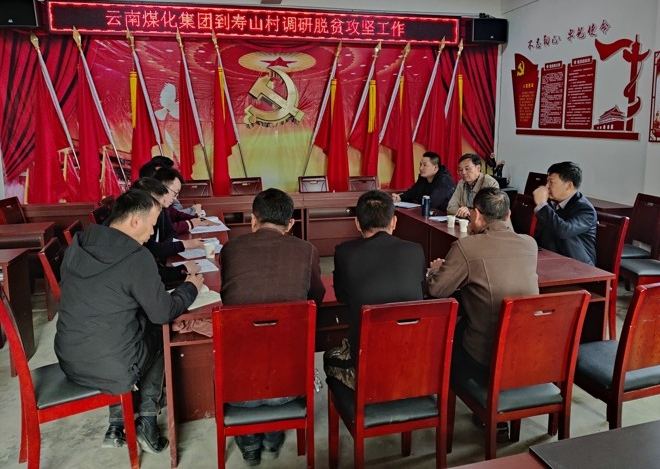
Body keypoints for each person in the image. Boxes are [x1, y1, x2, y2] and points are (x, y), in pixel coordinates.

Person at [54, 189, 203, 454]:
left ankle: (117, 423)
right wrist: (190, 287)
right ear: (135, 221)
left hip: (69, 358)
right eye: (152, 225)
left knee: (120, 327)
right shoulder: (136, 257)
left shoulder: (80, 242)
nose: (151, 233)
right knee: (160, 328)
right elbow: (163, 312)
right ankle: (147, 420)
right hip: (113, 369)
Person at [219, 188, 324, 466]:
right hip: (290, 386)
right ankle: (272, 439)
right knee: (281, 345)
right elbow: (317, 297)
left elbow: (228, 296)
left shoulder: (230, 250)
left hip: (236, 388)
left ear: (253, 220)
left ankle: (249, 446)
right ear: (290, 224)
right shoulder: (306, 250)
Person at [426, 188, 539, 381]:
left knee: (441, 340)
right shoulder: (530, 244)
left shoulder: (467, 247)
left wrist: (435, 270)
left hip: (484, 358)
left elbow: (436, 290)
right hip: (526, 351)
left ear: (476, 214)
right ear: (508, 215)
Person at [324, 190, 425, 390]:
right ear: (394, 222)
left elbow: (342, 296)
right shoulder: (415, 250)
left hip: (366, 365)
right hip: (412, 360)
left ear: (357, 223)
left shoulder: (345, 252)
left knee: (329, 356)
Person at [532, 161, 597, 265]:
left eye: (551, 182)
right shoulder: (552, 202)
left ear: (569, 185)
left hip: (577, 265)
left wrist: (542, 205)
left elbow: (564, 230)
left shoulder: (585, 210)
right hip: (551, 258)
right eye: (547, 181)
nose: (547, 186)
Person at [153, 167, 217, 235]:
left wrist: (198, 219)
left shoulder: (165, 207)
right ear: (163, 188)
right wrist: (191, 223)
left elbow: (177, 215)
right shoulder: (151, 207)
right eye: (175, 193)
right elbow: (165, 230)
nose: (175, 198)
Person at [390, 151, 455, 212]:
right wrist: (399, 197)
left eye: (425, 165)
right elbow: (412, 193)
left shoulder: (445, 181)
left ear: (435, 167)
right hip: (427, 214)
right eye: (420, 165)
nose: (420, 168)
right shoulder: (423, 178)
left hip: (445, 216)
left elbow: (432, 203)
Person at [447, 153, 500, 217]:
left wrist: (469, 212)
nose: (463, 172)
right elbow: (450, 208)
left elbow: (491, 211)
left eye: (467, 169)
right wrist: (464, 212)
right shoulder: (461, 183)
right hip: (466, 221)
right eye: (460, 170)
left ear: (478, 168)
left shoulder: (490, 183)